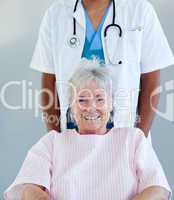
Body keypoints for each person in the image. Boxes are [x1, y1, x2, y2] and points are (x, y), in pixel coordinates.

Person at [4, 60, 171, 200]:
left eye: (100, 99)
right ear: (71, 105)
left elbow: (158, 189)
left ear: (111, 103)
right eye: (82, 100)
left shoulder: (134, 139)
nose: (91, 107)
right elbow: (27, 188)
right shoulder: (52, 143)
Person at [30, 0, 174, 136]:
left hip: (125, 130)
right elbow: (49, 81)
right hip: (71, 131)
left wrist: (139, 139)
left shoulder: (140, 10)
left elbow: (151, 80)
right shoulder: (56, 14)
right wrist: (55, 139)